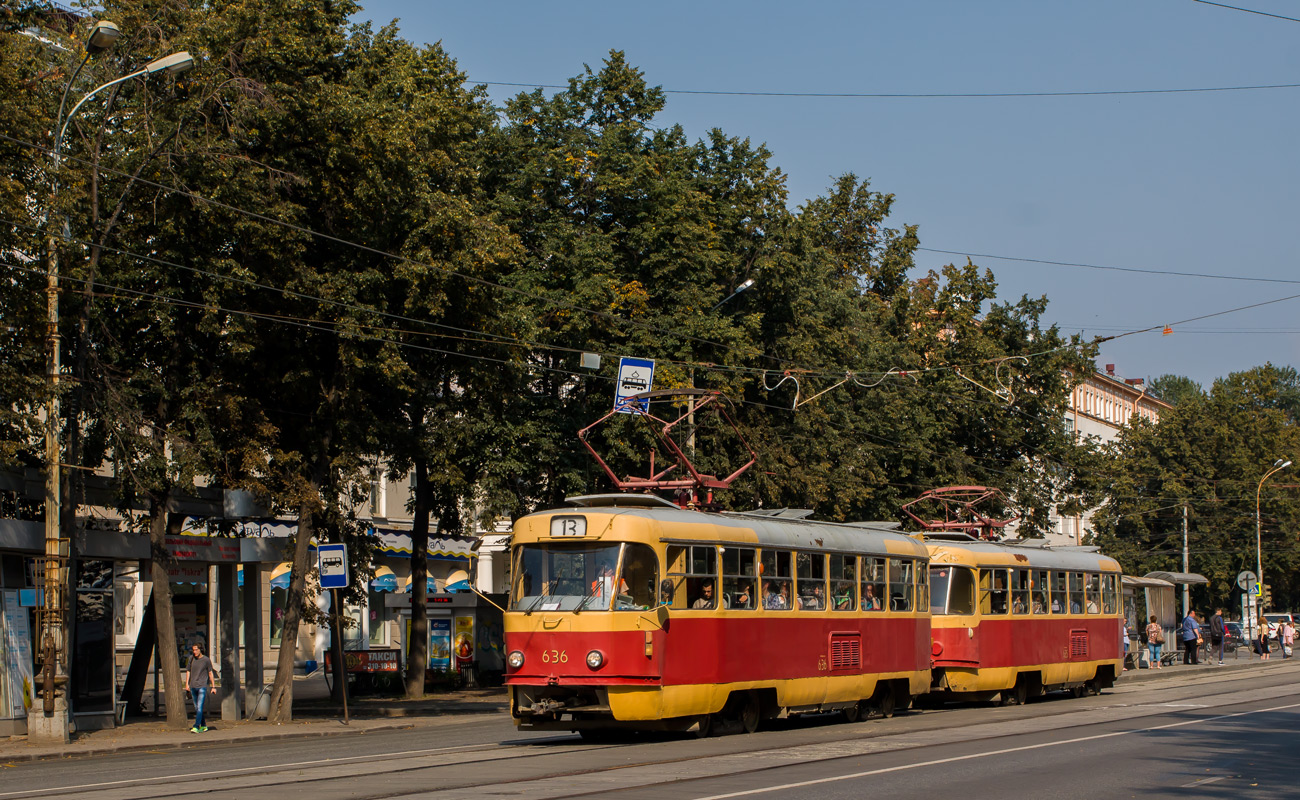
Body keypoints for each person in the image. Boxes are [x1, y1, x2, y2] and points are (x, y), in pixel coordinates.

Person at [183, 642, 217, 733]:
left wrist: (213, 686)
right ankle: (204, 726)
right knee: (197, 708)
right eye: (193, 650)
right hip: (193, 686)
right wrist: (187, 684)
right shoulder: (191, 659)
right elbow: (188, 671)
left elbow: (210, 673)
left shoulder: (206, 660)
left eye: (196, 650)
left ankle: (196, 726)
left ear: (200, 649)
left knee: (199, 707)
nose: (194, 652)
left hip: (202, 686)